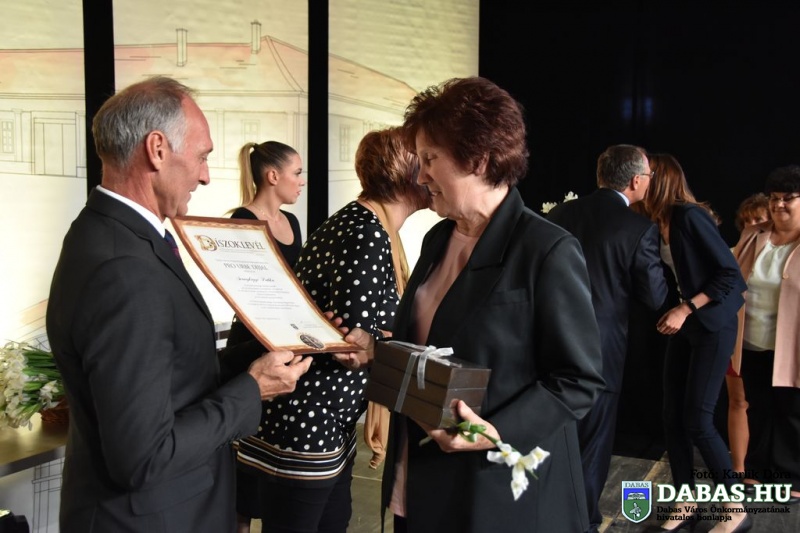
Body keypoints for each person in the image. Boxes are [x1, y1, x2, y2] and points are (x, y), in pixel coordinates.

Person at [45, 76, 313, 533]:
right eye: (202, 156)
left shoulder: (109, 233)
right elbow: (143, 457)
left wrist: (269, 350)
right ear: (157, 149)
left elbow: (171, 375)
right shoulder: (123, 268)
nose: (206, 175)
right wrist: (252, 390)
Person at [379, 76, 605, 533]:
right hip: (420, 475)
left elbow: (578, 380)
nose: (420, 177)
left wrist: (495, 431)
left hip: (497, 492)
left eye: (430, 160)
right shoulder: (438, 238)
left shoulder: (546, 249)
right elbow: (429, 341)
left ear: (478, 159)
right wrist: (374, 349)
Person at [234, 126, 429, 533]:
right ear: (403, 173)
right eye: (424, 161)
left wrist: (377, 340)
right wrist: (384, 343)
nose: (431, 173)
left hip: (321, 422)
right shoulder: (366, 232)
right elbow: (352, 347)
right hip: (310, 424)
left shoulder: (364, 224)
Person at [547, 144, 668, 533]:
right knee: (593, 443)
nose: (649, 182)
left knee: (554, 438)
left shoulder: (560, 214)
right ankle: (582, 522)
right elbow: (654, 296)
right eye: (648, 176)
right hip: (601, 349)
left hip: (548, 342)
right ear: (635, 181)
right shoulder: (638, 228)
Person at [637, 154, 750, 533]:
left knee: (699, 420)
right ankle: (686, 501)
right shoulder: (656, 222)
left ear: (661, 178)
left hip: (713, 324)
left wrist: (685, 308)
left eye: (645, 174)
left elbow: (730, 275)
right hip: (689, 327)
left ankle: (735, 507)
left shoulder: (689, 216)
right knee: (672, 417)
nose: (639, 180)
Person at [224, 140, 304, 533]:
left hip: (285, 346)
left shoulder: (293, 223)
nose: (301, 182)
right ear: (273, 176)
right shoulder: (241, 221)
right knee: (245, 457)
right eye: (297, 173)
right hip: (251, 347)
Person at [731, 166, 800, 505]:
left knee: (791, 412)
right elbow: (730, 274)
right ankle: (756, 469)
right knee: (757, 407)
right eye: (774, 198)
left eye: (788, 198)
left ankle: (793, 478)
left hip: (792, 346)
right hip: (751, 341)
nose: (779, 205)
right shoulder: (753, 234)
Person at [726, 192, 769, 479]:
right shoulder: (732, 254)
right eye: (747, 221)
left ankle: (775, 469)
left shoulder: (786, 253)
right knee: (738, 401)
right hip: (738, 340)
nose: (752, 226)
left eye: (759, 220)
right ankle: (740, 470)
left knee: (774, 407)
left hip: (772, 343)